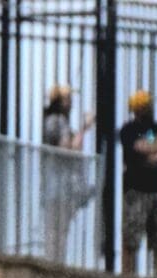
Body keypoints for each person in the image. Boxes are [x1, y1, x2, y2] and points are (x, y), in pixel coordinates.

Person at [115, 89, 157, 276]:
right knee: (131, 239)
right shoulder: (129, 129)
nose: (149, 109)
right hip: (135, 191)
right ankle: (127, 276)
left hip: (156, 191)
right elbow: (139, 147)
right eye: (146, 106)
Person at [39, 84, 95, 262]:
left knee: (57, 231)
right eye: (67, 99)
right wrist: (84, 128)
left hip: (55, 187)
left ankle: (55, 263)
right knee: (57, 231)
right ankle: (54, 263)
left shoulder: (51, 121)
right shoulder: (58, 121)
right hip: (58, 187)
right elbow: (69, 149)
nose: (70, 103)